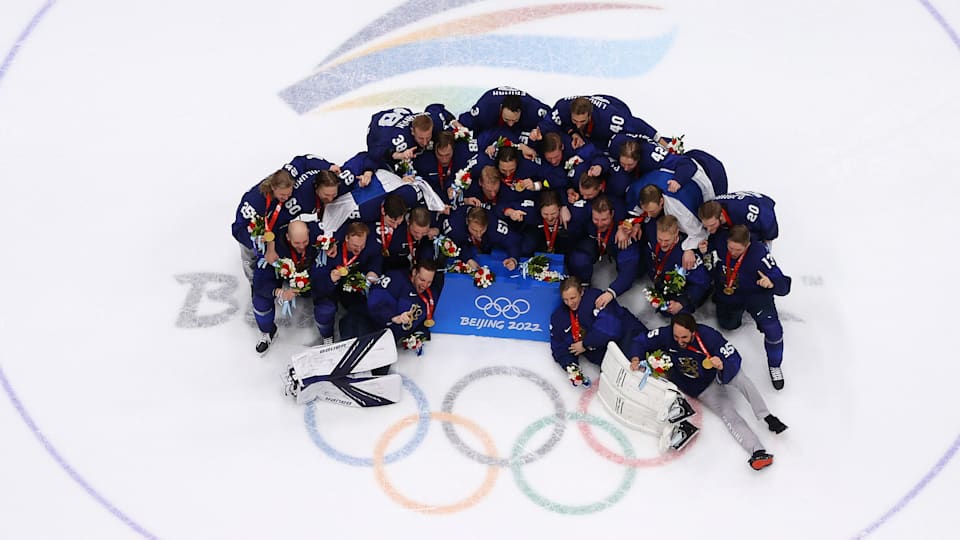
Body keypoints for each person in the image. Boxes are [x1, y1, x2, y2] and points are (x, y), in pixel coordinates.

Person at [628, 313, 788, 471]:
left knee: (743, 380)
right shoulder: (667, 335)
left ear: (693, 331)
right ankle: (757, 451)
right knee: (728, 414)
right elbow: (640, 340)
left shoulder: (709, 336)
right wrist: (635, 358)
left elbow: (733, 358)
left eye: (684, 337)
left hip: (719, 373)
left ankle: (767, 416)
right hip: (701, 386)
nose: (679, 341)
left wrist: (722, 365)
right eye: (676, 337)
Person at [702, 225, 792, 390]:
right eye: (730, 248)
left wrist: (771, 283)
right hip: (728, 294)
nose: (733, 253)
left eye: (738, 250)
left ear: (748, 245)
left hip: (755, 295)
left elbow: (784, 286)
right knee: (728, 325)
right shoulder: (719, 240)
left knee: (773, 330)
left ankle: (775, 365)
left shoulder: (760, 255)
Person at [550, 277, 647, 387]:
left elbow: (610, 328)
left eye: (573, 298)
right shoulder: (559, 317)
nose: (570, 303)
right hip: (606, 356)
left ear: (581, 292)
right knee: (623, 383)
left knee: (644, 371)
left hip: (629, 337)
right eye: (565, 300)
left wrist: (585, 344)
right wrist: (571, 367)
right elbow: (558, 345)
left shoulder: (597, 299)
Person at [250, 221, 317, 353]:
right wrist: (279, 292)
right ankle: (267, 331)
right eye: (297, 243)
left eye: (305, 241)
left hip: (308, 275)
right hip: (278, 274)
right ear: (287, 237)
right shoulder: (274, 248)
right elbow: (260, 282)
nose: (302, 247)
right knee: (260, 301)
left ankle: (327, 332)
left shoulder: (318, 239)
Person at [567, 194, 642, 309]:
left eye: (604, 219)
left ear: (612, 214)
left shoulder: (624, 225)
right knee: (578, 258)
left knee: (630, 266)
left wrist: (611, 292)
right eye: (596, 219)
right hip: (594, 242)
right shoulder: (585, 213)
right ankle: (584, 285)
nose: (600, 223)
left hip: (616, 243)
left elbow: (629, 266)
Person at [310, 222, 382, 342]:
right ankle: (327, 337)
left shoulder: (370, 245)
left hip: (351, 287)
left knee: (362, 307)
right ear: (346, 238)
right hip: (329, 289)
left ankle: (359, 339)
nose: (358, 249)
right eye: (355, 245)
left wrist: (373, 271)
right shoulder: (330, 249)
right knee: (324, 311)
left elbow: (376, 257)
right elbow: (316, 284)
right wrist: (330, 279)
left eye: (362, 245)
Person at [368, 260, 443, 362]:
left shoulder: (431, 293)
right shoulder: (396, 279)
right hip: (377, 333)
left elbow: (425, 319)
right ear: (414, 273)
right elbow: (376, 303)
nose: (425, 285)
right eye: (422, 280)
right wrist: (394, 317)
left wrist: (419, 336)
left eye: (429, 282)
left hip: (401, 345)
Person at [232, 168, 296, 283]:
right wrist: (255, 241)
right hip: (248, 235)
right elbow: (237, 229)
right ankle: (253, 283)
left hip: (268, 232)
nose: (286, 198)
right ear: (273, 188)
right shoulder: (254, 201)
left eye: (289, 194)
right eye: (283, 194)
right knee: (250, 260)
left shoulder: (282, 189)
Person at [531, 95, 658, 150]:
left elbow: (640, 126)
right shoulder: (562, 107)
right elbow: (549, 123)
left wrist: (664, 143)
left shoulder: (612, 119)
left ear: (590, 115)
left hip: (615, 108)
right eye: (575, 121)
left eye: (582, 121)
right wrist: (538, 131)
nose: (578, 125)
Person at [643, 215, 710, 316]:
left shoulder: (686, 256)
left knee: (677, 313)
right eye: (660, 239)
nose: (662, 244)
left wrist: (682, 303)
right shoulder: (651, 231)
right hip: (662, 283)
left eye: (667, 241)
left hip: (683, 289)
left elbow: (702, 283)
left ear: (676, 233)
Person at [440, 205, 521, 271]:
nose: (478, 234)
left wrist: (513, 259)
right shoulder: (455, 225)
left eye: (482, 230)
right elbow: (453, 244)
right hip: (465, 244)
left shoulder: (494, 224)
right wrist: (468, 259)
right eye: (474, 230)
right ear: (467, 222)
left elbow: (513, 241)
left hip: (488, 244)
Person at [456, 86, 550, 138]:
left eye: (515, 120)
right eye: (507, 119)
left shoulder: (533, 108)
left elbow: (551, 117)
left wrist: (541, 128)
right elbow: (468, 120)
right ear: (500, 108)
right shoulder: (486, 107)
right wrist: (460, 127)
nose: (510, 124)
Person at [698, 191, 779, 247]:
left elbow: (768, 221)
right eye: (706, 226)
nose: (709, 229)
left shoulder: (742, 212)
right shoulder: (712, 207)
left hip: (763, 208)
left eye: (712, 225)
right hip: (741, 207)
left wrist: (768, 237)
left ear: (721, 216)